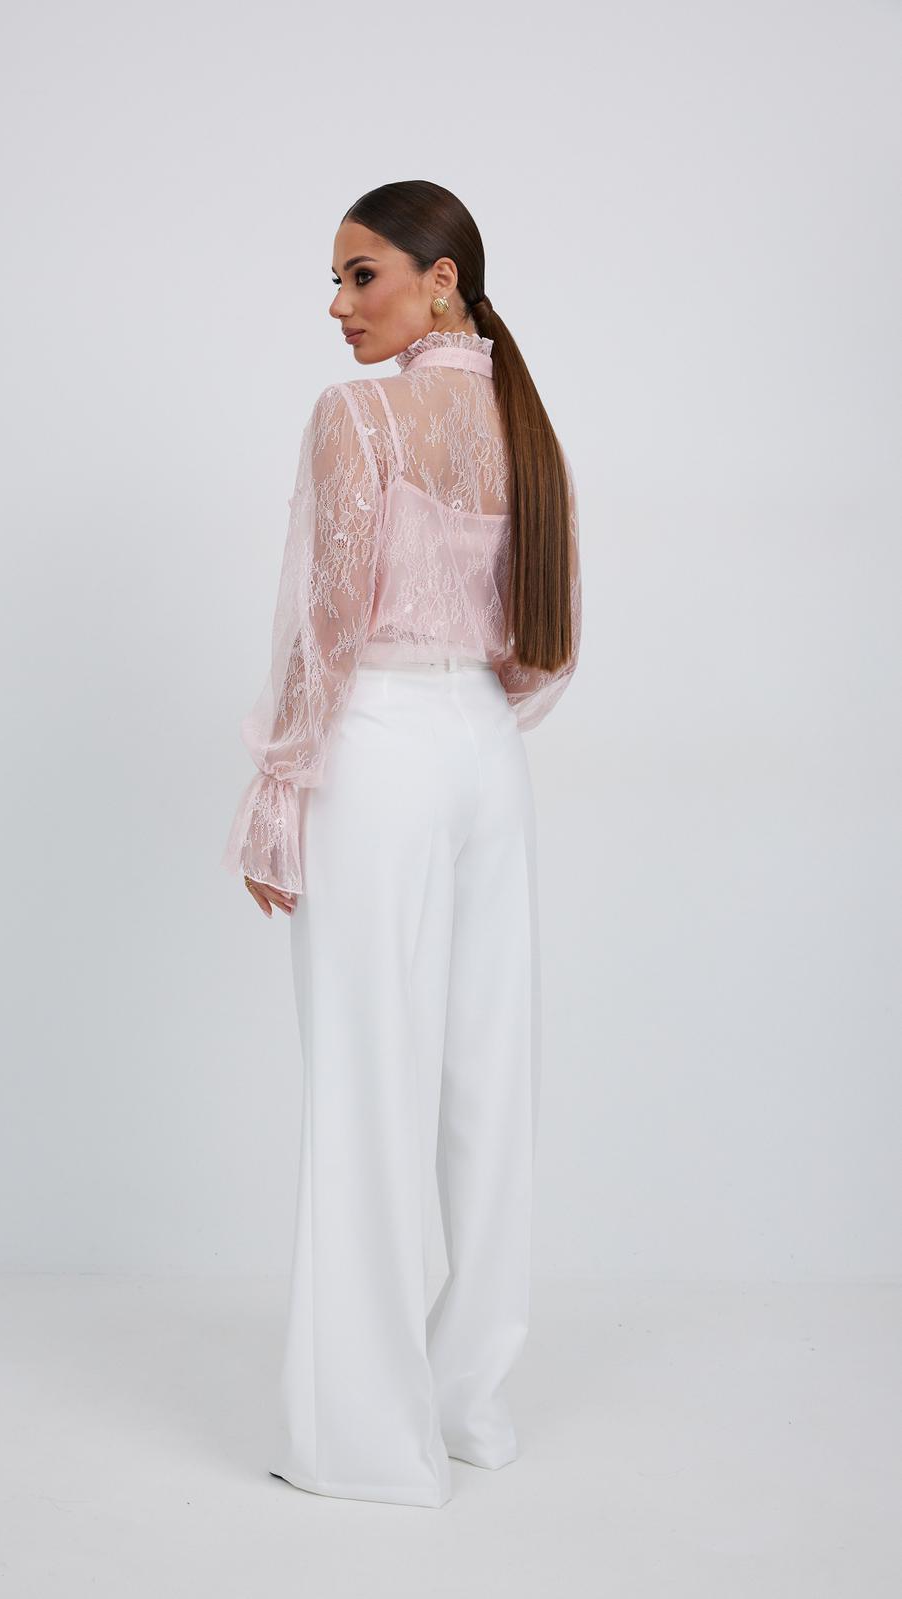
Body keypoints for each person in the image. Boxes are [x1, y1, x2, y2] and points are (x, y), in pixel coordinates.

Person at [221, 179, 583, 1508]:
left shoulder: (358, 416)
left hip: (376, 745)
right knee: (488, 1083)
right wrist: (464, 716)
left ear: (442, 280)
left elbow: (323, 627)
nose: (337, 305)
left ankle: (367, 1440)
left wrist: (278, 793)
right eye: (333, 279)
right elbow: (543, 652)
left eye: (360, 274)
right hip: (486, 753)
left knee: (365, 1080)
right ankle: (467, 1402)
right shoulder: (526, 432)